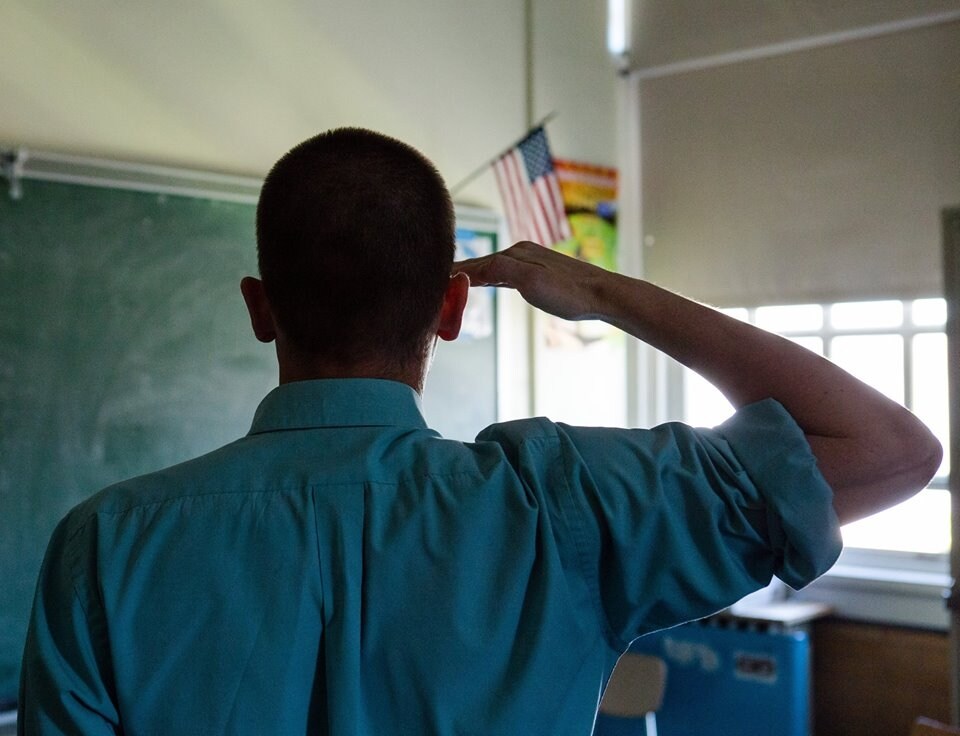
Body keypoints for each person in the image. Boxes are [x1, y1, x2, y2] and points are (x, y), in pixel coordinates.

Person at [19, 128, 941, 735]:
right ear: (453, 308)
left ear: (260, 308)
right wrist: (599, 291)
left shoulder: (104, 547)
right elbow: (889, 449)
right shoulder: (560, 507)